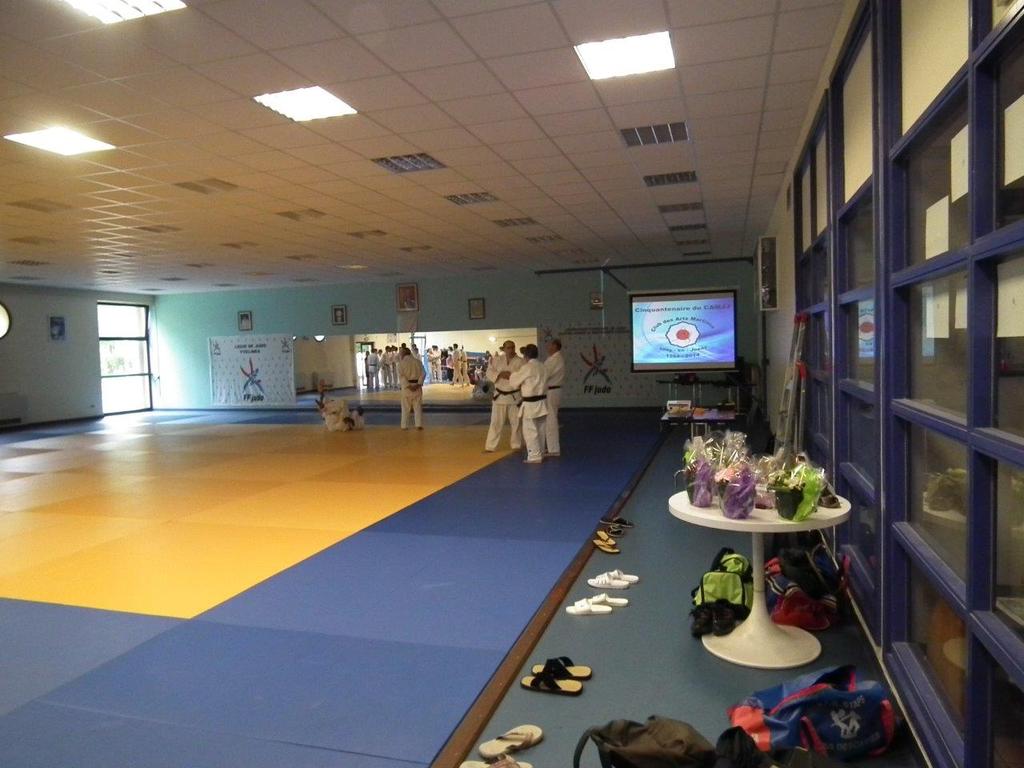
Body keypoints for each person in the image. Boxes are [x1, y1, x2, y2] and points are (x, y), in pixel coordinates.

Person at [498, 343, 547, 463]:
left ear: (526, 356)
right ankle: (540, 452)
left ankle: (534, 456)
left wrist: (511, 375)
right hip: (542, 402)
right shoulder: (543, 366)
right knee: (541, 430)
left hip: (531, 404)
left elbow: (514, 382)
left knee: (530, 431)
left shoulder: (527, 367)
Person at [485, 339, 523, 452]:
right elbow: (489, 372)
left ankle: (516, 445)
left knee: (516, 423)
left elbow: (523, 375)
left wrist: (511, 376)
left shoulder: (521, 361)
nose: (511, 349)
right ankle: (490, 446)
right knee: (495, 423)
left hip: (514, 396)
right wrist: (500, 374)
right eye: (509, 348)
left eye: (513, 347)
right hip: (499, 396)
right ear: (504, 349)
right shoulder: (497, 360)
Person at [542, 338, 564, 456]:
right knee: (549, 419)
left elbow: (545, 374)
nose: (547, 347)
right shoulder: (552, 359)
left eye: (549, 345)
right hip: (551, 390)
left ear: (555, 346)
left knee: (551, 419)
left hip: (552, 391)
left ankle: (554, 449)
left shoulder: (556, 359)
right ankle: (551, 447)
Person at [398, 346, 425, 430]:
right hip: (417, 387)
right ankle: (418, 424)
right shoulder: (418, 362)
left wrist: (409, 386)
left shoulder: (401, 363)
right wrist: (418, 384)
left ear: (403, 354)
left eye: (400, 353)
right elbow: (423, 373)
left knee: (405, 407)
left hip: (407, 388)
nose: (400, 355)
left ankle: (404, 425)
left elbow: (401, 376)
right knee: (417, 407)